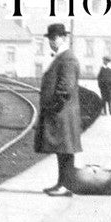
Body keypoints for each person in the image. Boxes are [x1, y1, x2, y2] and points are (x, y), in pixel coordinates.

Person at [34, 23, 83, 196]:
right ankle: (61, 184)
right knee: (63, 150)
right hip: (61, 112)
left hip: (62, 112)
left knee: (65, 150)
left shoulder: (67, 58)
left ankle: (66, 186)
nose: (52, 42)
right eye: (50, 39)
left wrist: (53, 107)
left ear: (63, 38)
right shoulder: (62, 57)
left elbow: (66, 87)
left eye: (55, 38)